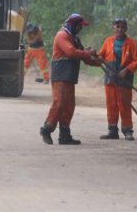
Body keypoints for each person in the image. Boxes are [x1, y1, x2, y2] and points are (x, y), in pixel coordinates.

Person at [39, 13, 102, 145]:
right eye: (80, 26)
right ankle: (47, 129)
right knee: (59, 103)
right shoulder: (62, 36)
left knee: (69, 106)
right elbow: (71, 53)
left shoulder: (74, 38)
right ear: (73, 25)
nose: (81, 28)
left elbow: (84, 57)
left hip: (69, 76)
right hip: (61, 75)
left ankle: (64, 136)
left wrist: (97, 61)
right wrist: (88, 53)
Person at [97, 18, 137, 140]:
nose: (120, 29)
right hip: (110, 77)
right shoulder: (108, 41)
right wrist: (97, 57)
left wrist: (127, 69)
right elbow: (101, 56)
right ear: (113, 27)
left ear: (126, 29)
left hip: (125, 78)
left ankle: (128, 131)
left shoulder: (132, 43)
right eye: (118, 26)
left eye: (123, 27)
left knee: (125, 104)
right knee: (111, 104)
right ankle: (112, 130)